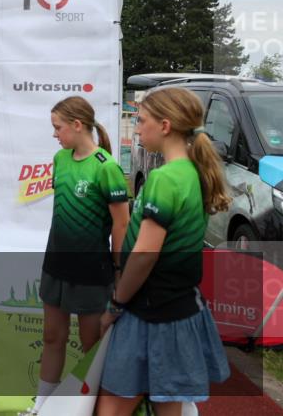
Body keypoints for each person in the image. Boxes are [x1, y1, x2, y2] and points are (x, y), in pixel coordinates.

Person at [96, 87, 230, 416]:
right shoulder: (192, 172)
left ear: (165, 126)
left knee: (111, 407)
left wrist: (116, 304)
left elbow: (145, 254)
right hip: (180, 309)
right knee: (168, 403)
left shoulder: (165, 178)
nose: (137, 128)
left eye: (141, 121)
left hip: (149, 310)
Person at [22, 97, 129, 416]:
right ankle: (41, 407)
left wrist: (119, 269)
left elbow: (121, 223)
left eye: (58, 127)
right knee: (52, 336)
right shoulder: (60, 158)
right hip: (55, 264)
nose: (55, 134)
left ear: (78, 125)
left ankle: (88, 409)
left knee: (90, 348)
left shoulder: (106, 166)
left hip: (91, 272)